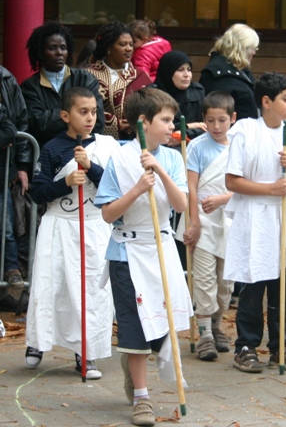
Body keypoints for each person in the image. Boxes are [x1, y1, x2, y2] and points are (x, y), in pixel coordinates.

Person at [94, 87, 191, 426]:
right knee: (134, 326)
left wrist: (159, 171)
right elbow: (107, 214)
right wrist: (137, 188)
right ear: (142, 122)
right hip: (127, 252)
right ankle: (142, 397)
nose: (170, 127)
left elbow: (181, 206)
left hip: (162, 248)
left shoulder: (174, 157)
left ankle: (146, 374)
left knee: (164, 324)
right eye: (164, 120)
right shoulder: (119, 159)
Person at [24, 87, 120, 379]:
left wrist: (91, 168)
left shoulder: (106, 146)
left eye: (93, 112)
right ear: (66, 115)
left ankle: (86, 352)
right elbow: (37, 193)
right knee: (50, 284)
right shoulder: (52, 148)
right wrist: (66, 181)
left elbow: (115, 186)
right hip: (59, 226)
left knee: (90, 290)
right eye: (83, 112)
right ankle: (38, 341)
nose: (90, 118)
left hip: (93, 226)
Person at [224, 73, 286, 374]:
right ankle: (246, 346)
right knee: (252, 284)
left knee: (285, 284)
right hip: (255, 216)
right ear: (266, 102)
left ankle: (280, 346)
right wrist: (270, 189)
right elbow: (232, 181)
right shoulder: (246, 131)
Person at [175, 91, 235, 360]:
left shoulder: (238, 145)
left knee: (226, 281)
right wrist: (194, 222)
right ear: (204, 120)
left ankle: (216, 324)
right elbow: (191, 186)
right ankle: (205, 335)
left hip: (231, 219)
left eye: (222, 120)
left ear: (233, 119)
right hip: (202, 218)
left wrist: (224, 199)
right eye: (210, 120)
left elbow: (245, 185)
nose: (216, 126)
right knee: (204, 277)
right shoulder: (197, 147)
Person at [21, 21, 105, 148]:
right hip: (48, 153)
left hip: (84, 150)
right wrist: (77, 114)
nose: (59, 52)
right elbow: (39, 124)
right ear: (40, 53)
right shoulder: (30, 87)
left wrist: (53, 115)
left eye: (63, 48)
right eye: (52, 48)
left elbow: (97, 119)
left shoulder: (85, 79)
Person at [87, 21, 152, 140]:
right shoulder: (90, 75)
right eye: (123, 44)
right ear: (108, 47)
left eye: (131, 45)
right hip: (98, 140)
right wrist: (115, 124)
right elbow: (83, 107)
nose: (128, 49)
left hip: (134, 141)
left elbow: (152, 107)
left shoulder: (141, 76)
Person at [0, 65, 29, 290]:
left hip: (2, 171)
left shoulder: (6, 77)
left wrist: (21, 163)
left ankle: (11, 267)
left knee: (6, 225)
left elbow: (11, 128)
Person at [200, 24, 260, 121]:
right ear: (241, 48)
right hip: (229, 134)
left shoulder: (240, 69)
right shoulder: (217, 74)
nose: (254, 52)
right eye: (252, 48)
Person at [153, 50, 206, 147]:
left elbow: (205, 127)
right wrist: (189, 126)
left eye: (189, 70)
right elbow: (153, 129)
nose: (186, 74)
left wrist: (185, 134)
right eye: (180, 70)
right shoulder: (152, 95)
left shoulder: (197, 92)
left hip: (192, 149)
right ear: (168, 72)